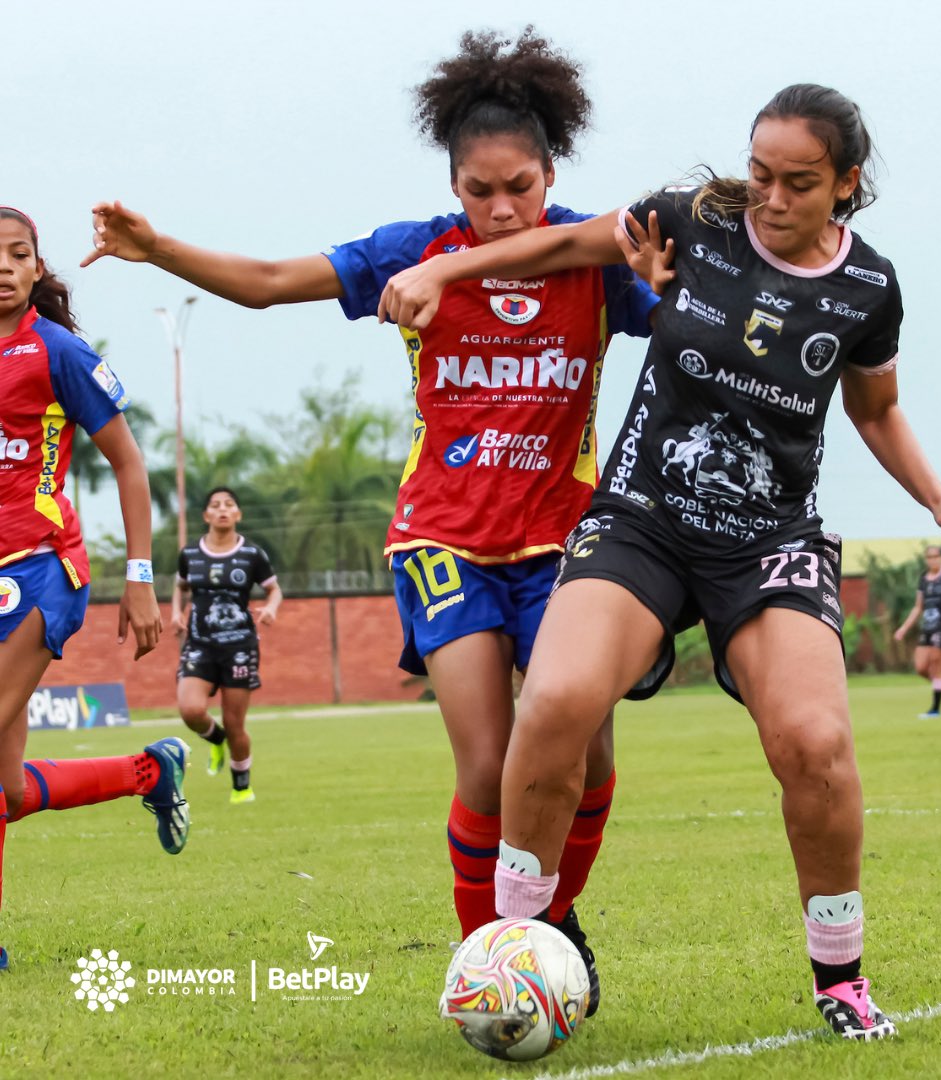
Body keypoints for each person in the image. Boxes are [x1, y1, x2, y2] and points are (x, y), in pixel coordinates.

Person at [378, 83, 941, 1040]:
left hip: (768, 543)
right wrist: (448, 274)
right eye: (759, 173)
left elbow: (875, 410)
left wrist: (936, 495)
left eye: (799, 183)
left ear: (846, 185)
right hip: (642, 520)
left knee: (816, 748)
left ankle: (840, 980)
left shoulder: (868, 290)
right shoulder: (694, 222)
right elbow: (555, 244)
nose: (769, 197)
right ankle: (512, 953)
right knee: (554, 705)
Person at [83, 29, 660, 1012]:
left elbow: (696, 292)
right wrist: (157, 250)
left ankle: (552, 919)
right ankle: (491, 962)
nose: (500, 208)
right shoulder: (412, 253)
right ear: (454, 185)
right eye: (479, 190)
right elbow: (269, 285)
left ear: (551, 173)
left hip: (569, 546)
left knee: (585, 757)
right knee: (488, 764)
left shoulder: (599, 253)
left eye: (519, 185)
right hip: (444, 542)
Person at [0, 206, 190, 971]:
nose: (4, 267)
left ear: (38, 270)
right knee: (6, 793)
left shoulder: (58, 352)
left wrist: (139, 579)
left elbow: (130, 463)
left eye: (18, 255)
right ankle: (151, 770)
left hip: (44, 570)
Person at [172, 486, 282, 804]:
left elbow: (274, 589)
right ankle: (215, 739)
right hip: (200, 644)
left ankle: (241, 787)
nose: (223, 509)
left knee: (236, 723)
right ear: (206, 515)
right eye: (216, 505)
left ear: (238, 514)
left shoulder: (252, 555)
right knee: (191, 710)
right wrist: (177, 612)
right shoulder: (190, 554)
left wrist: (272, 608)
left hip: (239, 646)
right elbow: (179, 585)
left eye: (229, 504)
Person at [894, 545, 941, 718]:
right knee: (921, 668)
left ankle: (935, 709)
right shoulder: (924, 579)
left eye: (936, 556)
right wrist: (903, 628)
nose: (933, 560)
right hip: (928, 628)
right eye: (929, 557)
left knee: (936, 667)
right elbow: (918, 607)